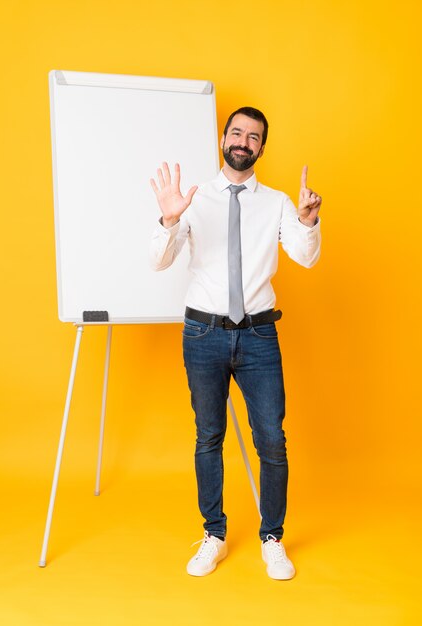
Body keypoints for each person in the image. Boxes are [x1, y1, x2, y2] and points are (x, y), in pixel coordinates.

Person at [149, 106, 321, 580]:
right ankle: (214, 534)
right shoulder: (195, 198)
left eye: (254, 137)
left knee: (272, 440)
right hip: (202, 333)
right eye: (237, 132)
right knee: (209, 437)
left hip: (259, 335)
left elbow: (304, 258)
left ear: (262, 147)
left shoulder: (279, 202)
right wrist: (168, 220)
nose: (244, 141)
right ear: (224, 138)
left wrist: (307, 221)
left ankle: (272, 538)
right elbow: (159, 262)